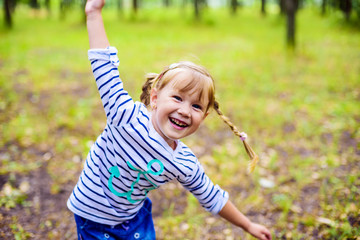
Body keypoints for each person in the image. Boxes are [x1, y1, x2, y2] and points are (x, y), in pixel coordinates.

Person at [67, 0, 272, 239]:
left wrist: (247, 225)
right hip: (92, 217)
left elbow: (212, 196)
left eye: (196, 106)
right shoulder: (124, 116)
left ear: (204, 117)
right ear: (155, 97)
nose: (185, 111)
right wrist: (93, 13)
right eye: (177, 98)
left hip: (134, 220)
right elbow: (104, 66)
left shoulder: (183, 162)